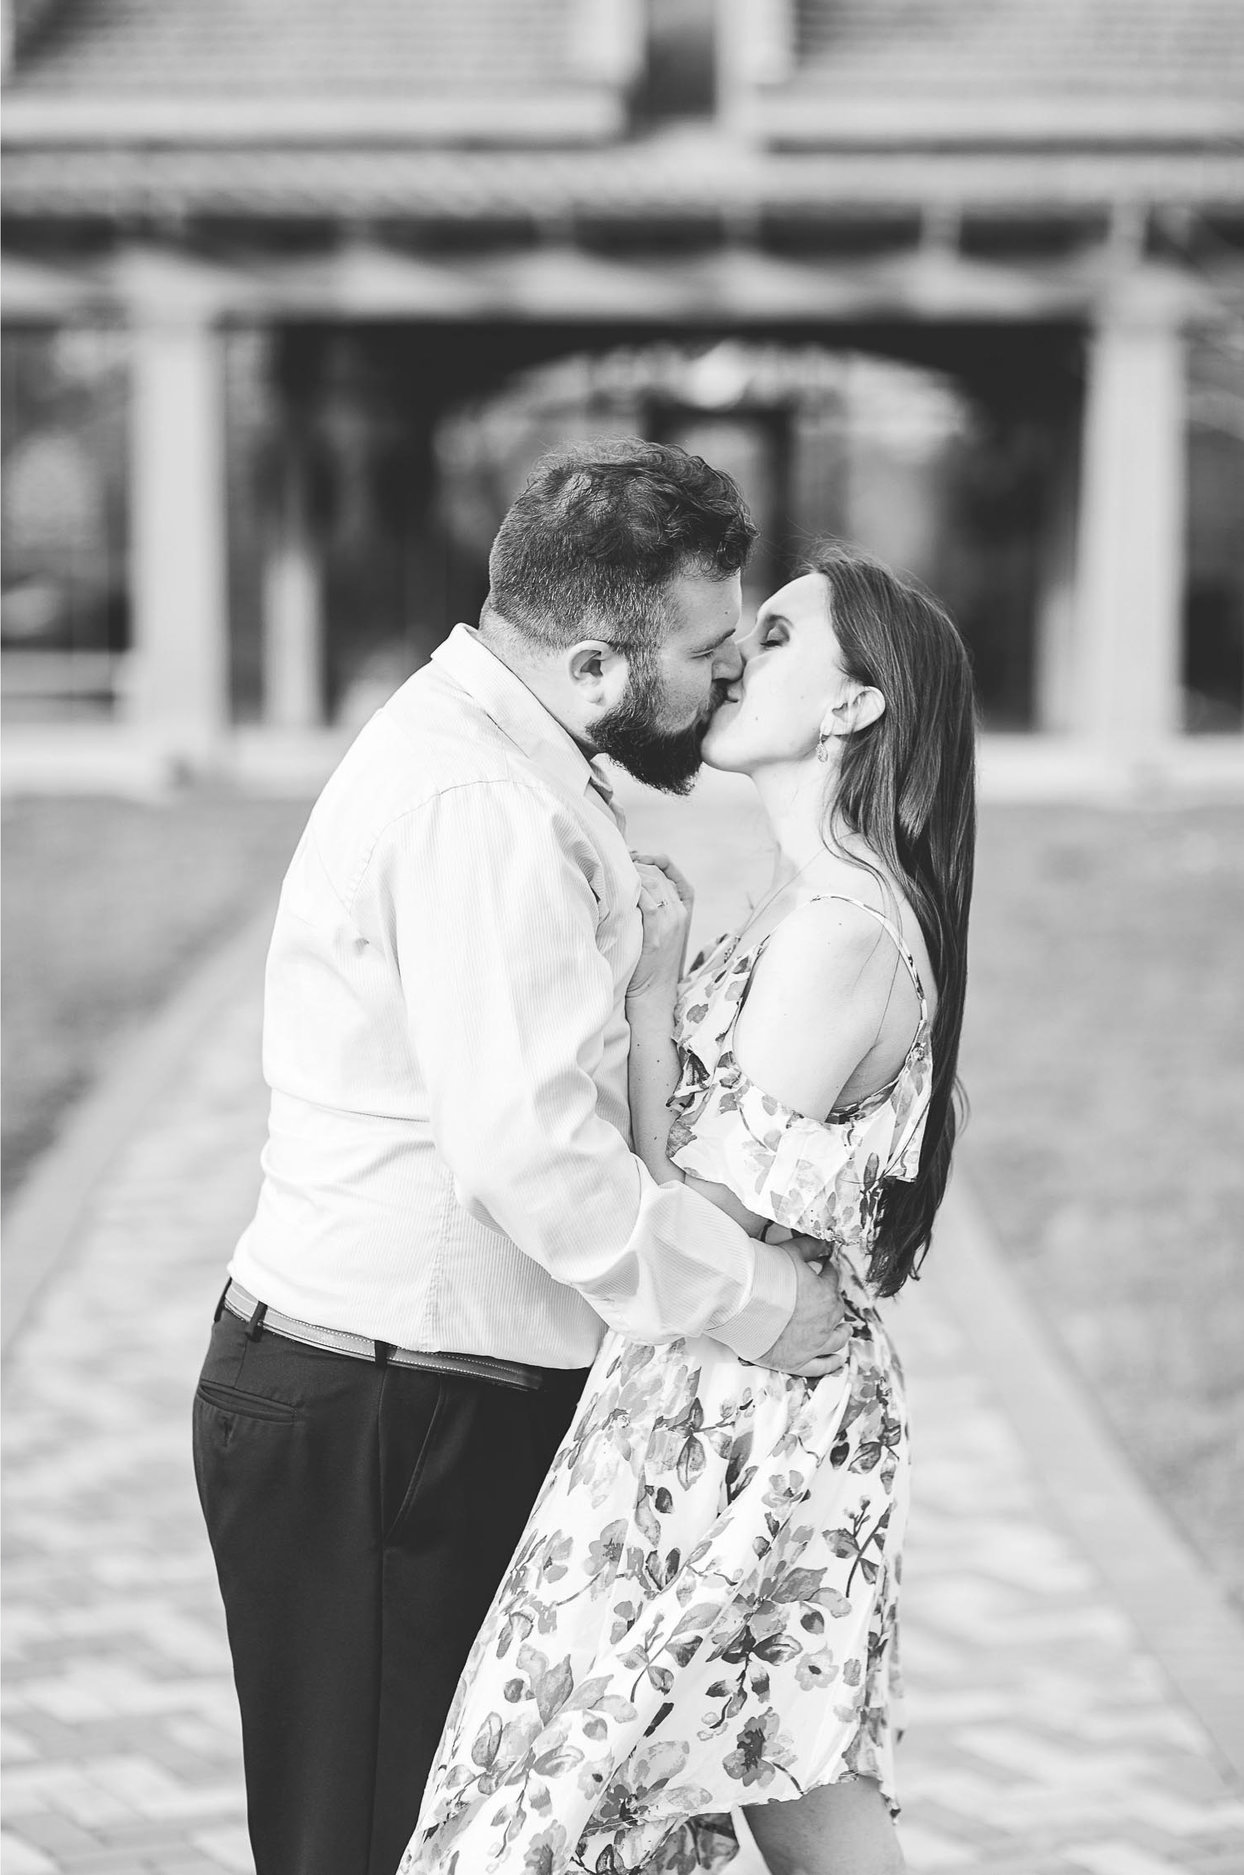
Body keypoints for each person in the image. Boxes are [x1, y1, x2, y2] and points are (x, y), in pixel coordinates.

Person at [192, 438, 852, 1875]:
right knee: (376, 1841)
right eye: (708, 651)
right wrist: (757, 1298)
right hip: (385, 1411)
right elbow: (537, 1160)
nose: (727, 681)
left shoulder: (504, 753)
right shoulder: (481, 806)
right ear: (600, 665)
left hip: (412, 1397)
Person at [405, 547, 975, 1875]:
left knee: (570, 1783)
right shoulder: (804, 908)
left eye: (773, 638)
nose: (733, 659)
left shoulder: (839, 931)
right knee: (768, 1773)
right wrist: (660, 976)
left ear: (853, 707)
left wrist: (654, 1000)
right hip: (707, 1387)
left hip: (741, 1413)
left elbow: (687, 1211)